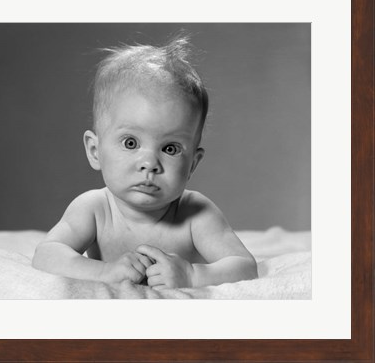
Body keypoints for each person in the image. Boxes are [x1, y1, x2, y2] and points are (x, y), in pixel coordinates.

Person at [32, 36, 258, 289]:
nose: (150, 163)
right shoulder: (94, 208)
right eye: (130, 143)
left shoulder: (197, 213)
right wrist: (104, 272)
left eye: (170, 148)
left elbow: (244, 266)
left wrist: (192, 275)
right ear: (95, 151)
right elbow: (46, 255)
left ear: (192, 164)